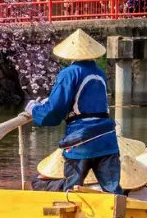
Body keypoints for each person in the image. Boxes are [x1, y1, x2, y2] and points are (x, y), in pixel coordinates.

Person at [25, 28, 122, 195]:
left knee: (72, 189)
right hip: (107, 138)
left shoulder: (69, 73)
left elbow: (55, 109)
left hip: (81, 139)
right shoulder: (99, 73)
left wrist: (34, 110)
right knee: (113, 192)